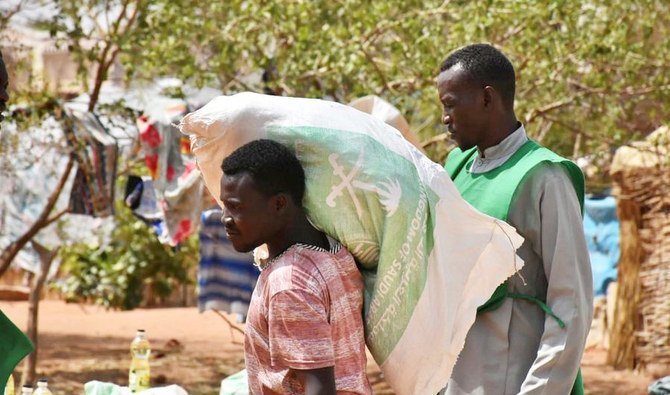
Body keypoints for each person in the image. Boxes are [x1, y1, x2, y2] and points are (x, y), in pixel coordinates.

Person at [437, 44, 593, 394]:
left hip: (514, 373)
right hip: (455, 375)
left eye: (450, 105)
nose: (445, 118)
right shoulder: (456, 169)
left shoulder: (543, 177)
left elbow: (572, 302)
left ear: (488, 99)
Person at [219, 139, 372, 395]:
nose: (225, 218)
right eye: (225, 205)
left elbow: (318, 388)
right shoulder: (335, 250)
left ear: (279, 204)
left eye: (235, 207)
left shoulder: (288, 283)